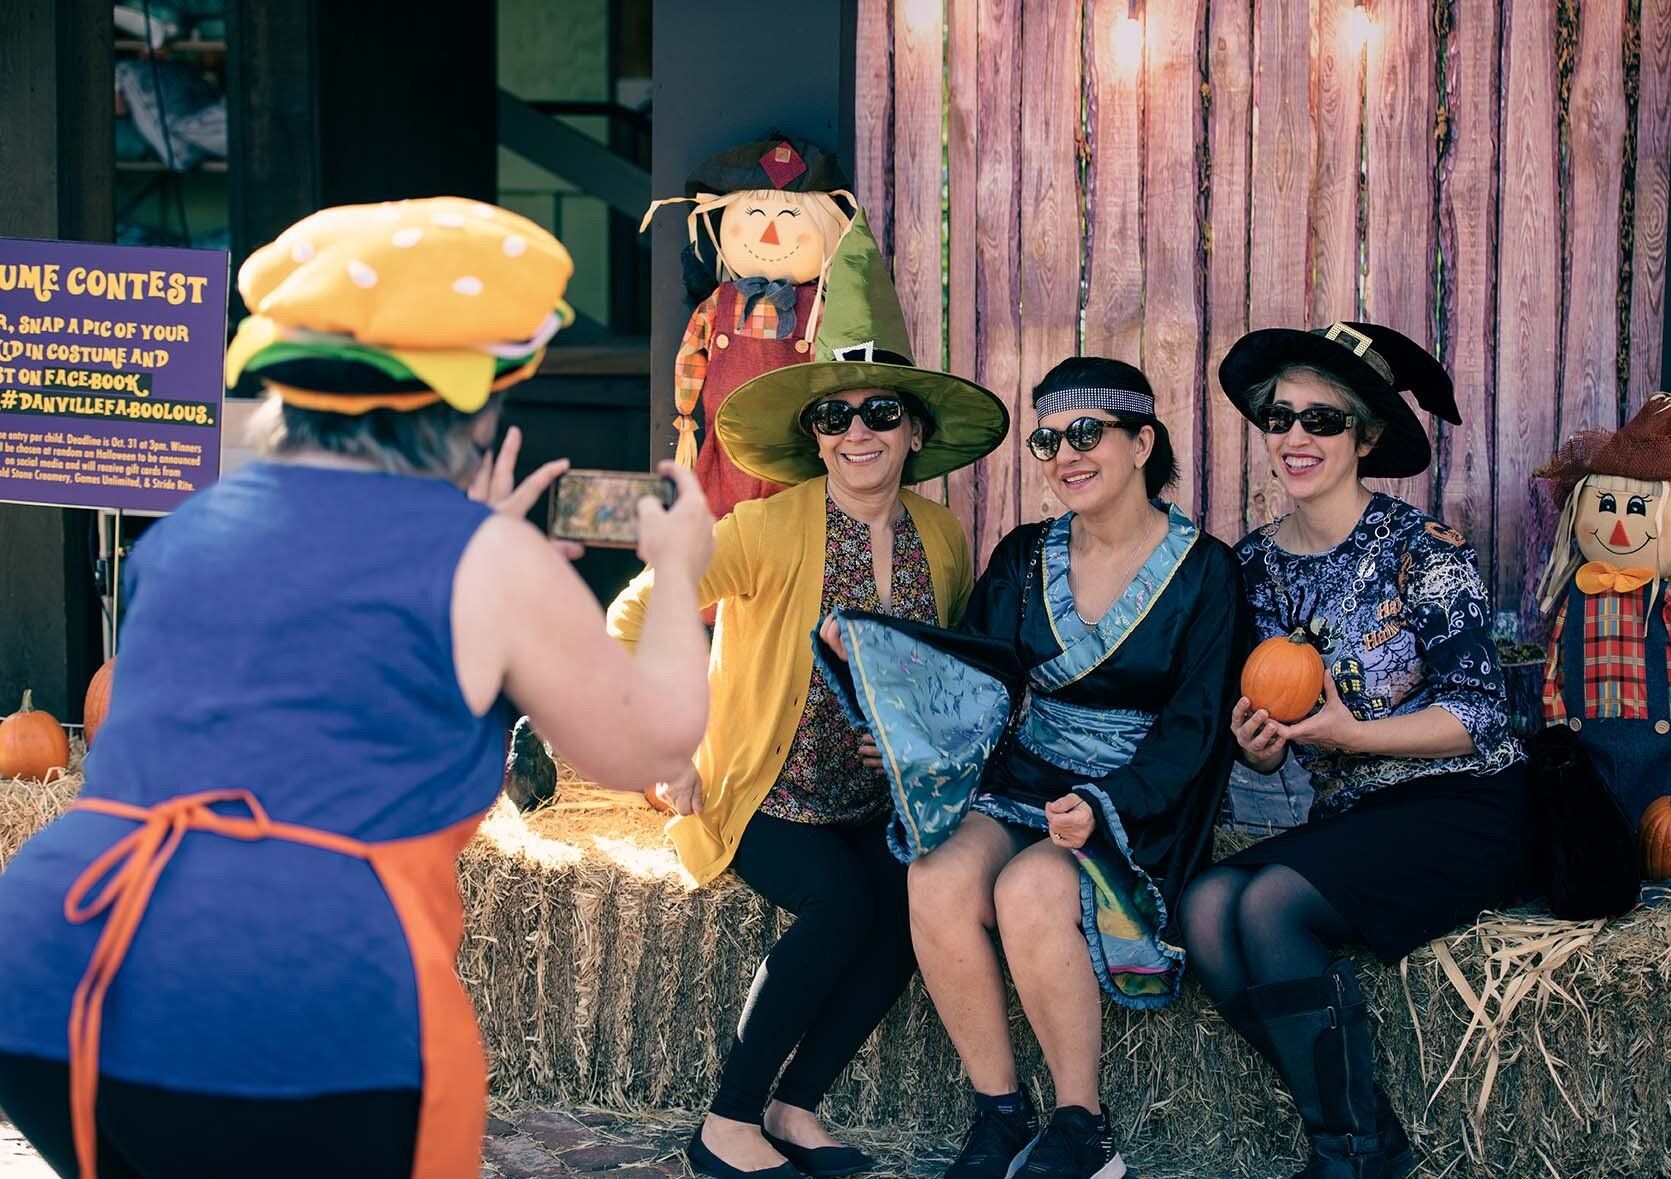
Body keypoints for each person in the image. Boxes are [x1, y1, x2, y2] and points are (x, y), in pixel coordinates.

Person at [0, 199, 716, 1179]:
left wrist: (477, 546)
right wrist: (676, 568)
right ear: (472, 408)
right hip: (296, 996)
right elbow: (656, 744)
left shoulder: (190, 528)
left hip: (55, 964)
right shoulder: (486, 559)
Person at [606, 256, 1009, 1179]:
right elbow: (633, 613)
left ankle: (795, 1107)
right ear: (815, 438)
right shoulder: (763, 528)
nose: (857, 431)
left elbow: (944, 679)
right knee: (842, 904)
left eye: (880, 412)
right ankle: (726, 1123)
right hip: (766, 794)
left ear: (914, 430)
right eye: (835, 416)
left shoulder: (943, 538)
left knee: (908, 914)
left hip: (874, 802)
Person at [818, 357, 1244, 1179]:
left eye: (1086, 433)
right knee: (936, 873)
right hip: (1025, 780)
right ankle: (1001, 1113)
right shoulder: (1023, 556)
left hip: (1134, 801)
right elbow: (973, 676)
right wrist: (873, 663)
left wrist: (1108, 802)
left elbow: (1195, 727)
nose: (1064, 454)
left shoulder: (1206, 571)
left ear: (1142, 443)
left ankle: (1082, 1127)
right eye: (1048, 440)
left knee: (1028, 889)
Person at [1181, 322, 1529, 1179]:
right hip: (1353, 813)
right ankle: (1365, 1135)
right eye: (1280, 417)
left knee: (1268, 907)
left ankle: (1347, 1154)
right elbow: (1275, 741)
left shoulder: (1422, 550)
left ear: (1365, 438)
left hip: (1464, 802)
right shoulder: (1251, 567)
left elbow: (1481, 716)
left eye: (1323, 419)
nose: (1296, 436)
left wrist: (1352, 734)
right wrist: (1259, 747)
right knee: (1205, 906)